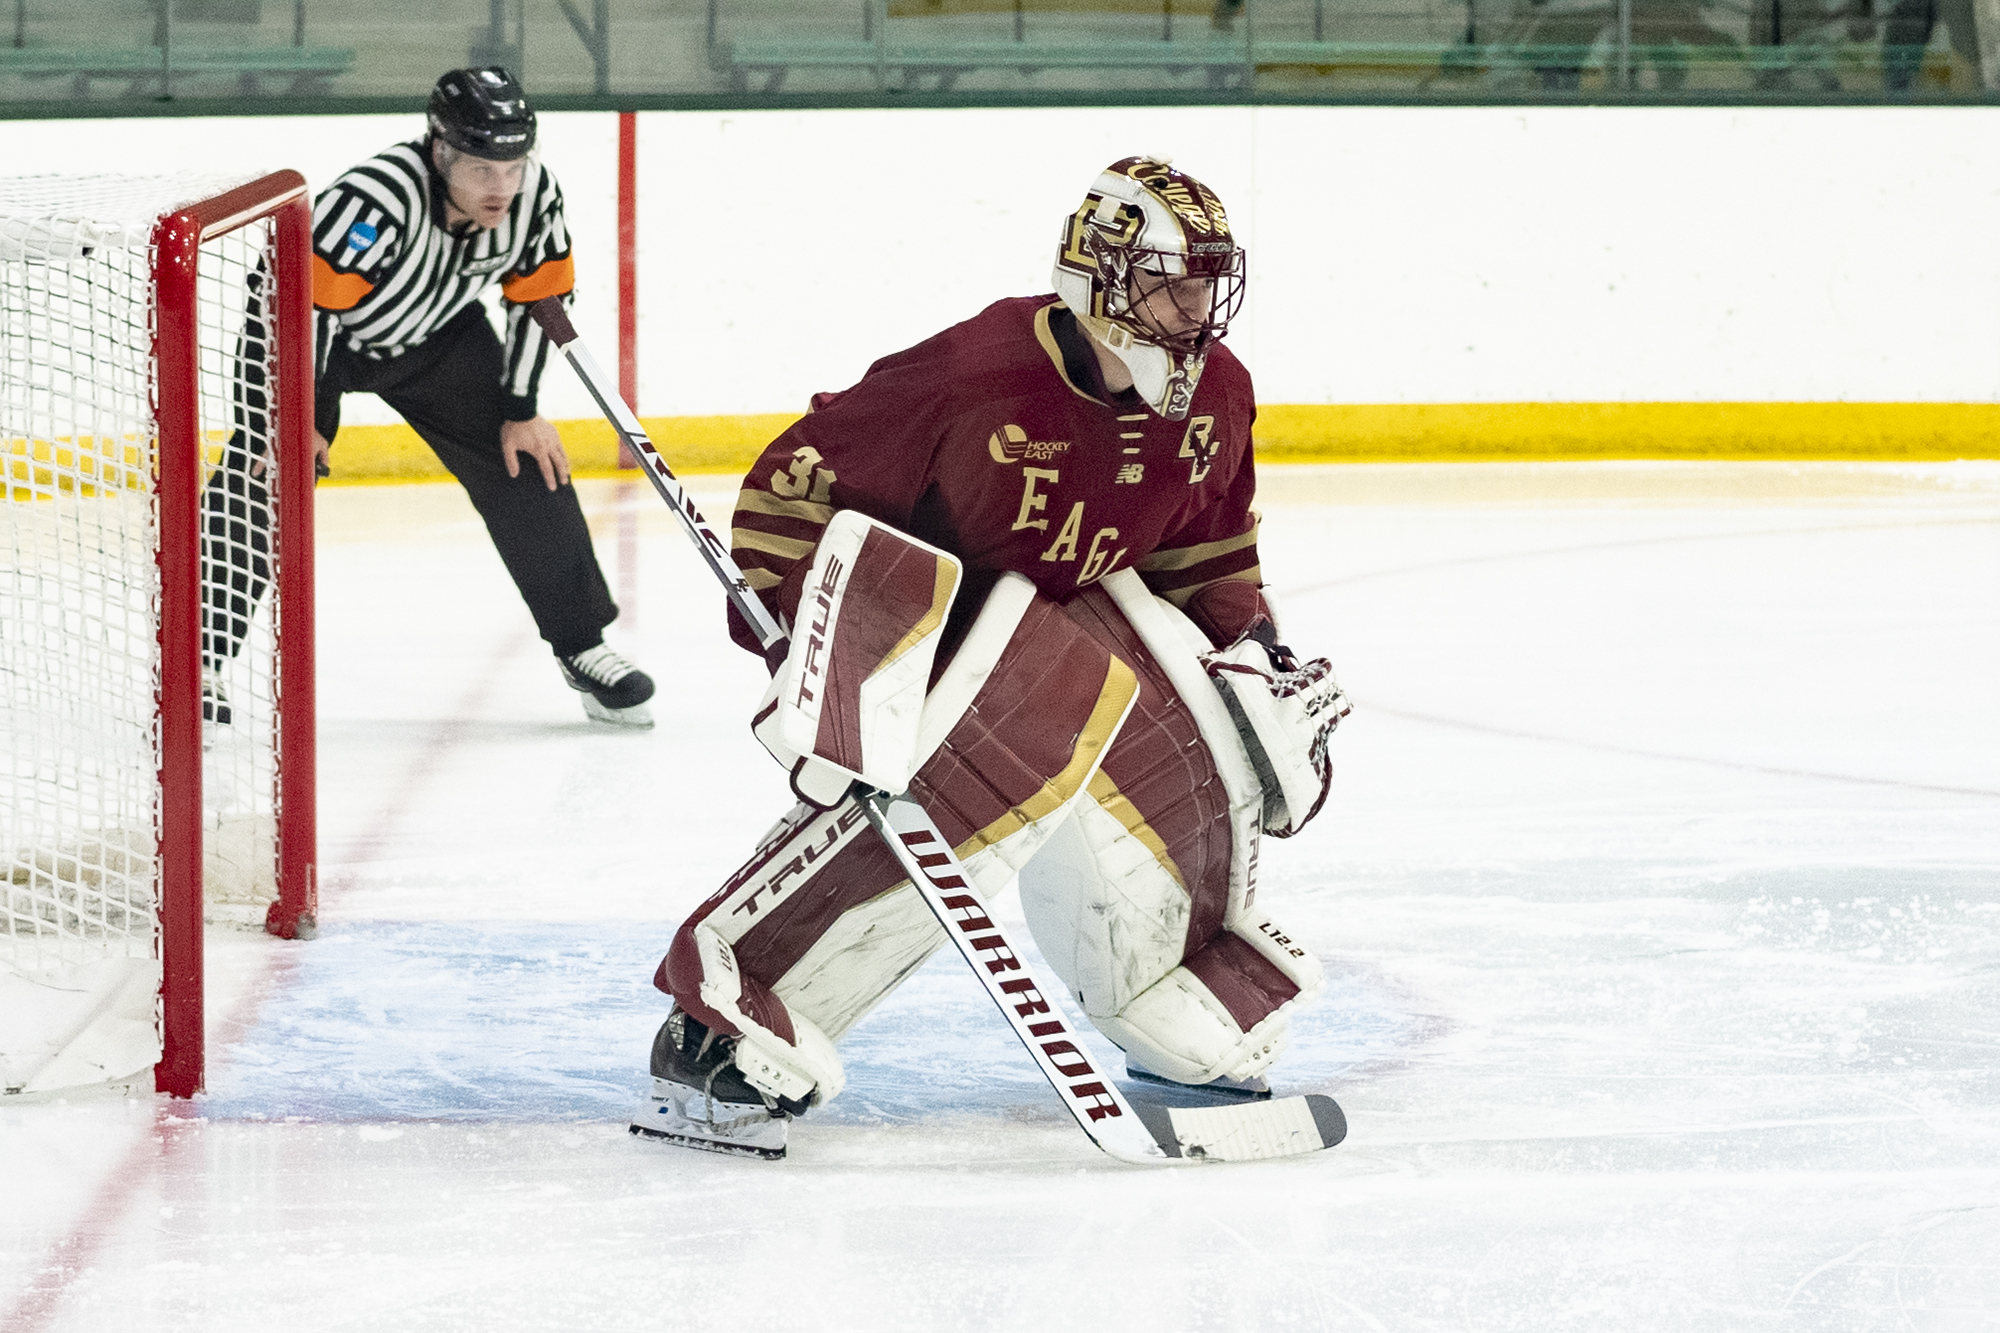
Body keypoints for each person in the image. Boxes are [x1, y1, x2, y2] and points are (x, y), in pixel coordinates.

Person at [633, 157, 1348, 1158]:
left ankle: (1162, 984)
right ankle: (725, 1020)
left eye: (1205, 284)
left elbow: (1204, 548)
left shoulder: (1217, 392)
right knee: (1031, 709)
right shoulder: (973, 375)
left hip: (1077, 617)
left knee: (1183, 743)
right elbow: (794, 491)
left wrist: (1251, 650)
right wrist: (817, 645)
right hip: (942, 641)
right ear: (1100, 278)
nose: (1195, 309)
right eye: (1169, 283)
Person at [292, 66, 652, 725]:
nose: (502, 186)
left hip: (438, 337)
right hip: (316, 338)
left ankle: (583, 645)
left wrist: (520, 409)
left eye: (514, 166)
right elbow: (310, 308)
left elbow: (539, 297)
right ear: (441, 151)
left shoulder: (533, 195)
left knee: (530, 463)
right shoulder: (375, 200)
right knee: (271, 472)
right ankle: (197, 655)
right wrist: (304, 420)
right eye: (484, 168)